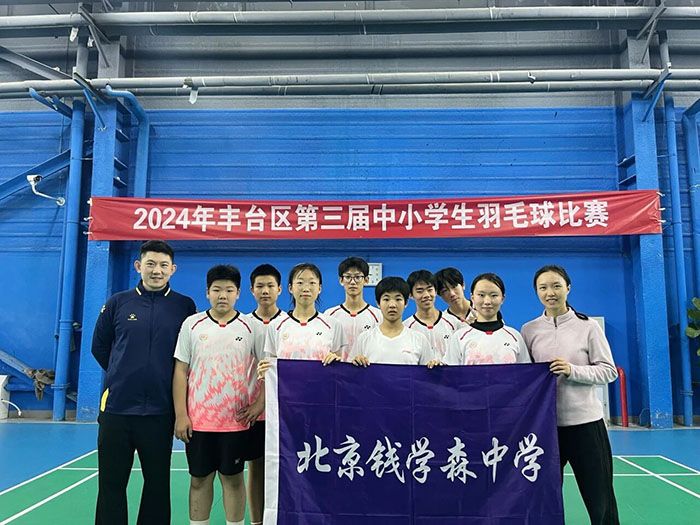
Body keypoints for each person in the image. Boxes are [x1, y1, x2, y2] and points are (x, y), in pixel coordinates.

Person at [91, 240, 196, 525]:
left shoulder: (184, 306)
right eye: (150, 264)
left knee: (157, 485)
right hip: (117, 410)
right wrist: (122, 373)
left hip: (160, 413)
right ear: (138, 266)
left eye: (163, 265)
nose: (156, 270)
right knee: (111, 484)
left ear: (172, 269)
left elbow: (188, 355)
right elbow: (99, 347)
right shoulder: (117, 302)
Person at [521, 264, 619, 525]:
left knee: (600, 497)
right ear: (536, 292)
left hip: (586, 425)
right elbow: (524, 376)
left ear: (568, 288)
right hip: (545, 429)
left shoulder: (588, 327)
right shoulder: (529, 330)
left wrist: (572, 370)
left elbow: (609, 371)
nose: (550, 293)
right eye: (543, 288)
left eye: (556, 286)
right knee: (543, 497)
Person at [173, 264, 264, 525]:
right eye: (216, 290)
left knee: (233, 479)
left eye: (229, 290)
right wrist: (181, 415)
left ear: (238, 293)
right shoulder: (192, 325)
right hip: (198, 422)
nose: (222, 295)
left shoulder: (250, 326)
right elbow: (180, 370)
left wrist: (259, 404)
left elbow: (266, 368)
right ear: (207, 292)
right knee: (199, 479)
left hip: (236, 422)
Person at [244, 263, 283, 525]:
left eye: (270, 286)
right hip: (253, 411)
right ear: (252, 290)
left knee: (285, 467)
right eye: (260, 286)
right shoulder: (244, 324)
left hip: (284, 411)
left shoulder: (288, 323)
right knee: (256, 467)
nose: (265, 291)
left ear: (280, 289)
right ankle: (257, 521)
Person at [257, 263, 345, 378]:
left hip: (322, 388)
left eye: (312, 283)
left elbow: (339, 368)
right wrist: (266, 373)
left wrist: (337, 361)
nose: (306, 288)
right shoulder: (276, 326)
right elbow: (272, 367)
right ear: (290, 288)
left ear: (319, 288)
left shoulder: (333, 325)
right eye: (300, 283)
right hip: (288, 389)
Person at [444, 273, 530, 365]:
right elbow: (449, 371)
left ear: (502, 299)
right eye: (481, 295)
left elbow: (526, 371)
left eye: (494, 295)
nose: (487, 301)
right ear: (472, 298)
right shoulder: (459, 337)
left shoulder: (515, 337)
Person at [350, 276, 435, 366]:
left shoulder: (419, 340)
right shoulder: (364, 339)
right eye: (386, 299)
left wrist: (435, 365)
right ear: (378, 303)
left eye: (398, 299)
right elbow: (350, 371)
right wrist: (356, 362)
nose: (392, 305)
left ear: (406, 303)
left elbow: (428, 372)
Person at [324, 257, 381, 360]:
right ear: (341, 280)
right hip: (339, 369)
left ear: (366, 280)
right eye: (348, 277)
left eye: (358, 277)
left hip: (367, 369)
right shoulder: (329, 315)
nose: (353, 282)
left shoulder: (378, 315)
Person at [403, 269, 459, 361]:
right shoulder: (406, 327)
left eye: (430, 290)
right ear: (410, 295)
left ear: (435, 291)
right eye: (420, 291)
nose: (426, 295)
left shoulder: (454, 323)